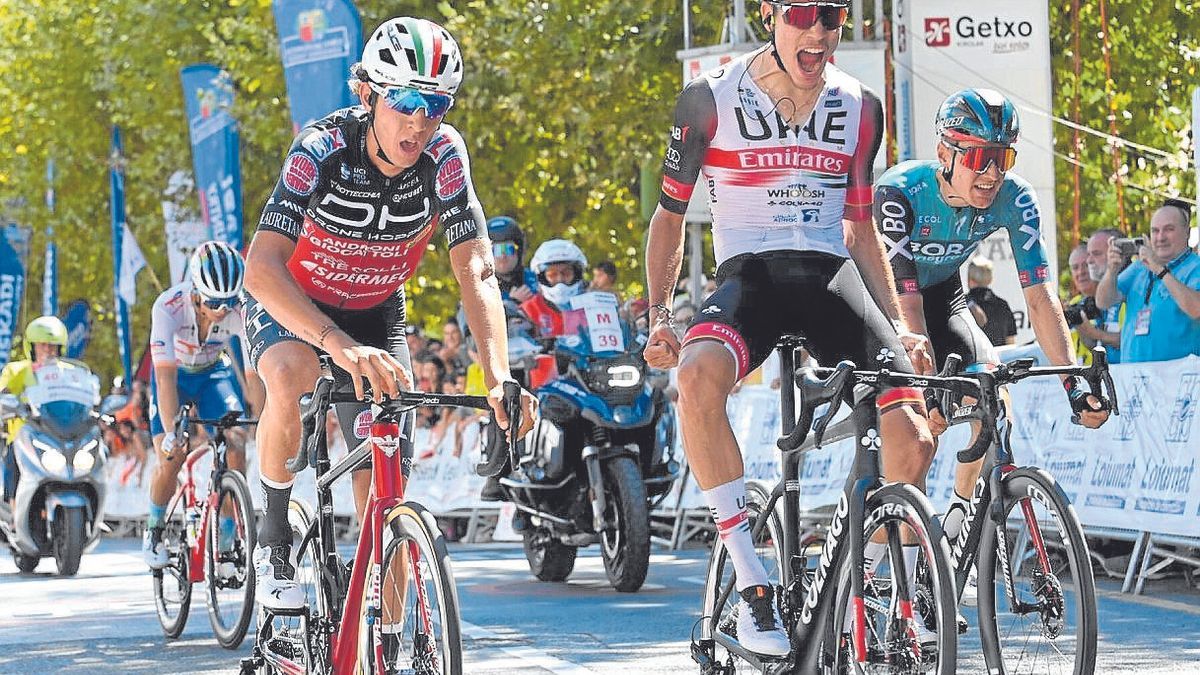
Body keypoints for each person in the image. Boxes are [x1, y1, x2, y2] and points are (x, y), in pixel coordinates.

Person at [642, 0, 937, 656]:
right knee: (695, 377)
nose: (819, 30)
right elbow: (668, 216)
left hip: (833, 280)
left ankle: (892, 589)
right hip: (753, 278)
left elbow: (861, 228)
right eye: (802, 12)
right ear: (770, 15)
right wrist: (659, 316)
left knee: (914, 432)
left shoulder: (860, 104)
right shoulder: (710, 99)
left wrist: (898, 324)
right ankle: (753, 586)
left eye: (830, 16)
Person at [242, 16, 536, 610]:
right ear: (367, 93)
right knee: (294, 375)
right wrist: (335, 343)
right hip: (297, 304)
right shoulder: (321, 148)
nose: (420, 121)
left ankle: (389, 633)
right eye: (404, 101)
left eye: (436, 104)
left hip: (377, 311)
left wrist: (500, 375)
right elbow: (260, 269)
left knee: (385, 478)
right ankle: (273, 527)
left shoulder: (445, 155)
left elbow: (475, 270)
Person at [874, 88, 1110, 603]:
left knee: (988, 394)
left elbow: (1041, 296)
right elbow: (907, 309)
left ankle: (957, 525)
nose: (991, 173)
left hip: (943, 295)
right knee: (916, 437)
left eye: (1002, 157)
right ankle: (880, 576)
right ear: (945, 153)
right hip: (885, 299)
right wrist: (927, 383)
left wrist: (1072, 379)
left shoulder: (1014, 197)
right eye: (979, 157)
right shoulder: (901, 191)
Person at [142, 241, 265, 569]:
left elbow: (254, 376)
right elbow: (165, 380)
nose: (223, 310)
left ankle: (226, 532)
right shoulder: (167, 307)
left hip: (213, 373)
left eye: (229, 301)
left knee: (236, 442)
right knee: (172, 454)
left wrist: (264, 419)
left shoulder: (241, 308)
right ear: (196, 292)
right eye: (214, 302)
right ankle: (154, 527)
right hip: (175, 376)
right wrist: (171, 433)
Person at [1096, 200, 1200, 362]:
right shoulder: (1139, 267)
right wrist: (1112, 270)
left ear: (1187, 232)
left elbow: (1196, 309)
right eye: (1155, 231)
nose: (1160, 237)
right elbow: (1103, 302)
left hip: (1180, 379)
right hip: (1135, 377)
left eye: (1169, 229)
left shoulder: (1195, 266)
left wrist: (1160, 269)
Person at [0, 316, 77, 509]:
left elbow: (81, 398)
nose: (48, 350)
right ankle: (14, 508)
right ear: (31, 347)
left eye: (53, 346)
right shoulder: (17, 370)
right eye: (42, 345)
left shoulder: (69, 372)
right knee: (13, 458)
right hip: (26, 435)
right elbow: (3, 395)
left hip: (61, 434)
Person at [519, 239, 590, 339]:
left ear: (576, 275)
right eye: (552, 274)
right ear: (542, 277)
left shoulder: (592, 306)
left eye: (566, 273)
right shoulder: (529, 310)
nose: (560, 280)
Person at [1065, 244, 1119, 365]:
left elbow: (1128, 341)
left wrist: (1094, 333)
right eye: (1075, 267)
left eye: (1086, 265)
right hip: (1082, 376)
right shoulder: (1074, 304)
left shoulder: (1118, 298)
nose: (1081, 272)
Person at [1085, 228, 1125, 363]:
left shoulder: (1132, 284)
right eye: (1088, 254)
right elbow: (1096, 345)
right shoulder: (1098, 293)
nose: (1089, 260)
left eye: (1096, 254)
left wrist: (1094, 333)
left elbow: (1131, 339)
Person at [964, 257, 1017, 347]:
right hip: (1001, 359)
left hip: (975, 360)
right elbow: (1011, 344)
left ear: (970, 280)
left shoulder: (962, 304)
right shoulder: (1003, 305)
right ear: (990, 280)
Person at [487, 216, 538, 302]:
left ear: (519, 251)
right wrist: (512, 303)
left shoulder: (537, 281)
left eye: (508, 249)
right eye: (497, 250)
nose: (503, 256)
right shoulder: (480, 289)